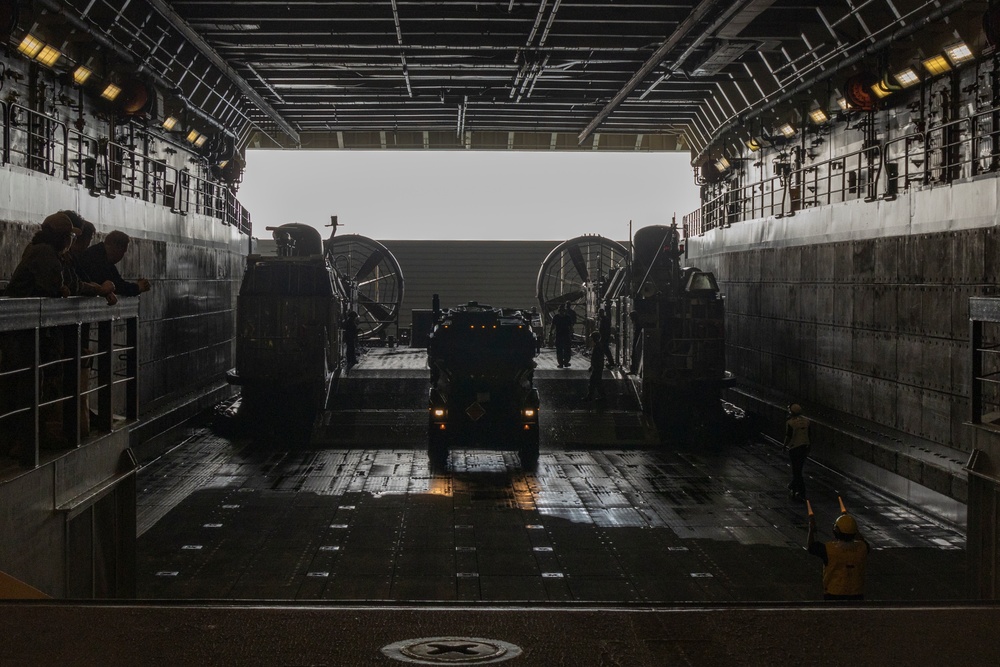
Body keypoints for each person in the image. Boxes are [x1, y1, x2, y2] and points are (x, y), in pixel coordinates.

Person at [3, 212, 79, 297]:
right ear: (63, 237)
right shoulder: (45, 252)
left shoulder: (38, 248)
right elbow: (55, 287)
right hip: (22, 305)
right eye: (71, 235)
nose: (72, 240)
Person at [808, 512, 870, 600]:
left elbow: (811, 546)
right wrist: (852, 528)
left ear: (836, 531)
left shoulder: (828, 549)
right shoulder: (863, 548)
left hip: (833, 593)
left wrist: (811, 528)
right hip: (856, 594)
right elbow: (862, 541)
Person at [63, 211, 117, 304]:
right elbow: (74, 284)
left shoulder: (72, 257)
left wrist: (102, 290)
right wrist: (101, 290)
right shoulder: (70, 256)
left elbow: (84, 279)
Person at [78, 230, 152, 297]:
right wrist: (138, 287)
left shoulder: (100, 256)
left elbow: (116, 283)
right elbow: (117, 286)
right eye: (123, 252)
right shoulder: (96, 258)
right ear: (116, 248)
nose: (122, 256)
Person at [784, 403, 811, 499]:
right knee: (799, 468)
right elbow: (809, 434)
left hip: (794, 447)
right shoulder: (807, 421)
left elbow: (788, 436)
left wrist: (784, 446)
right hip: (804, 447)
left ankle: (799, 490)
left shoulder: (790, 422)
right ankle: (794, 487)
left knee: (796, 470)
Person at [584, 331, 606, 400]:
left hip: (597, 367)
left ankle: (592, 396)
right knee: (596, 381)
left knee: (593, 381)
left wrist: (593, 366)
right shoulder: (599, 346)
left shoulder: (597, 347)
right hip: (598, 367)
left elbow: (596, 358)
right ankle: (599, 395)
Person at [552, 304, 574, 368]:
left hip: (559, 335)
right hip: (565, 335)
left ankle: (561, 363)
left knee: (560, 350)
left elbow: (553, 326)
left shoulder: (556, 317)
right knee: (566, 349)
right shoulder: (567, 317)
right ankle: (565, 362)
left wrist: (551, 333)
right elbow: (570, 326)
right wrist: (572, 332)